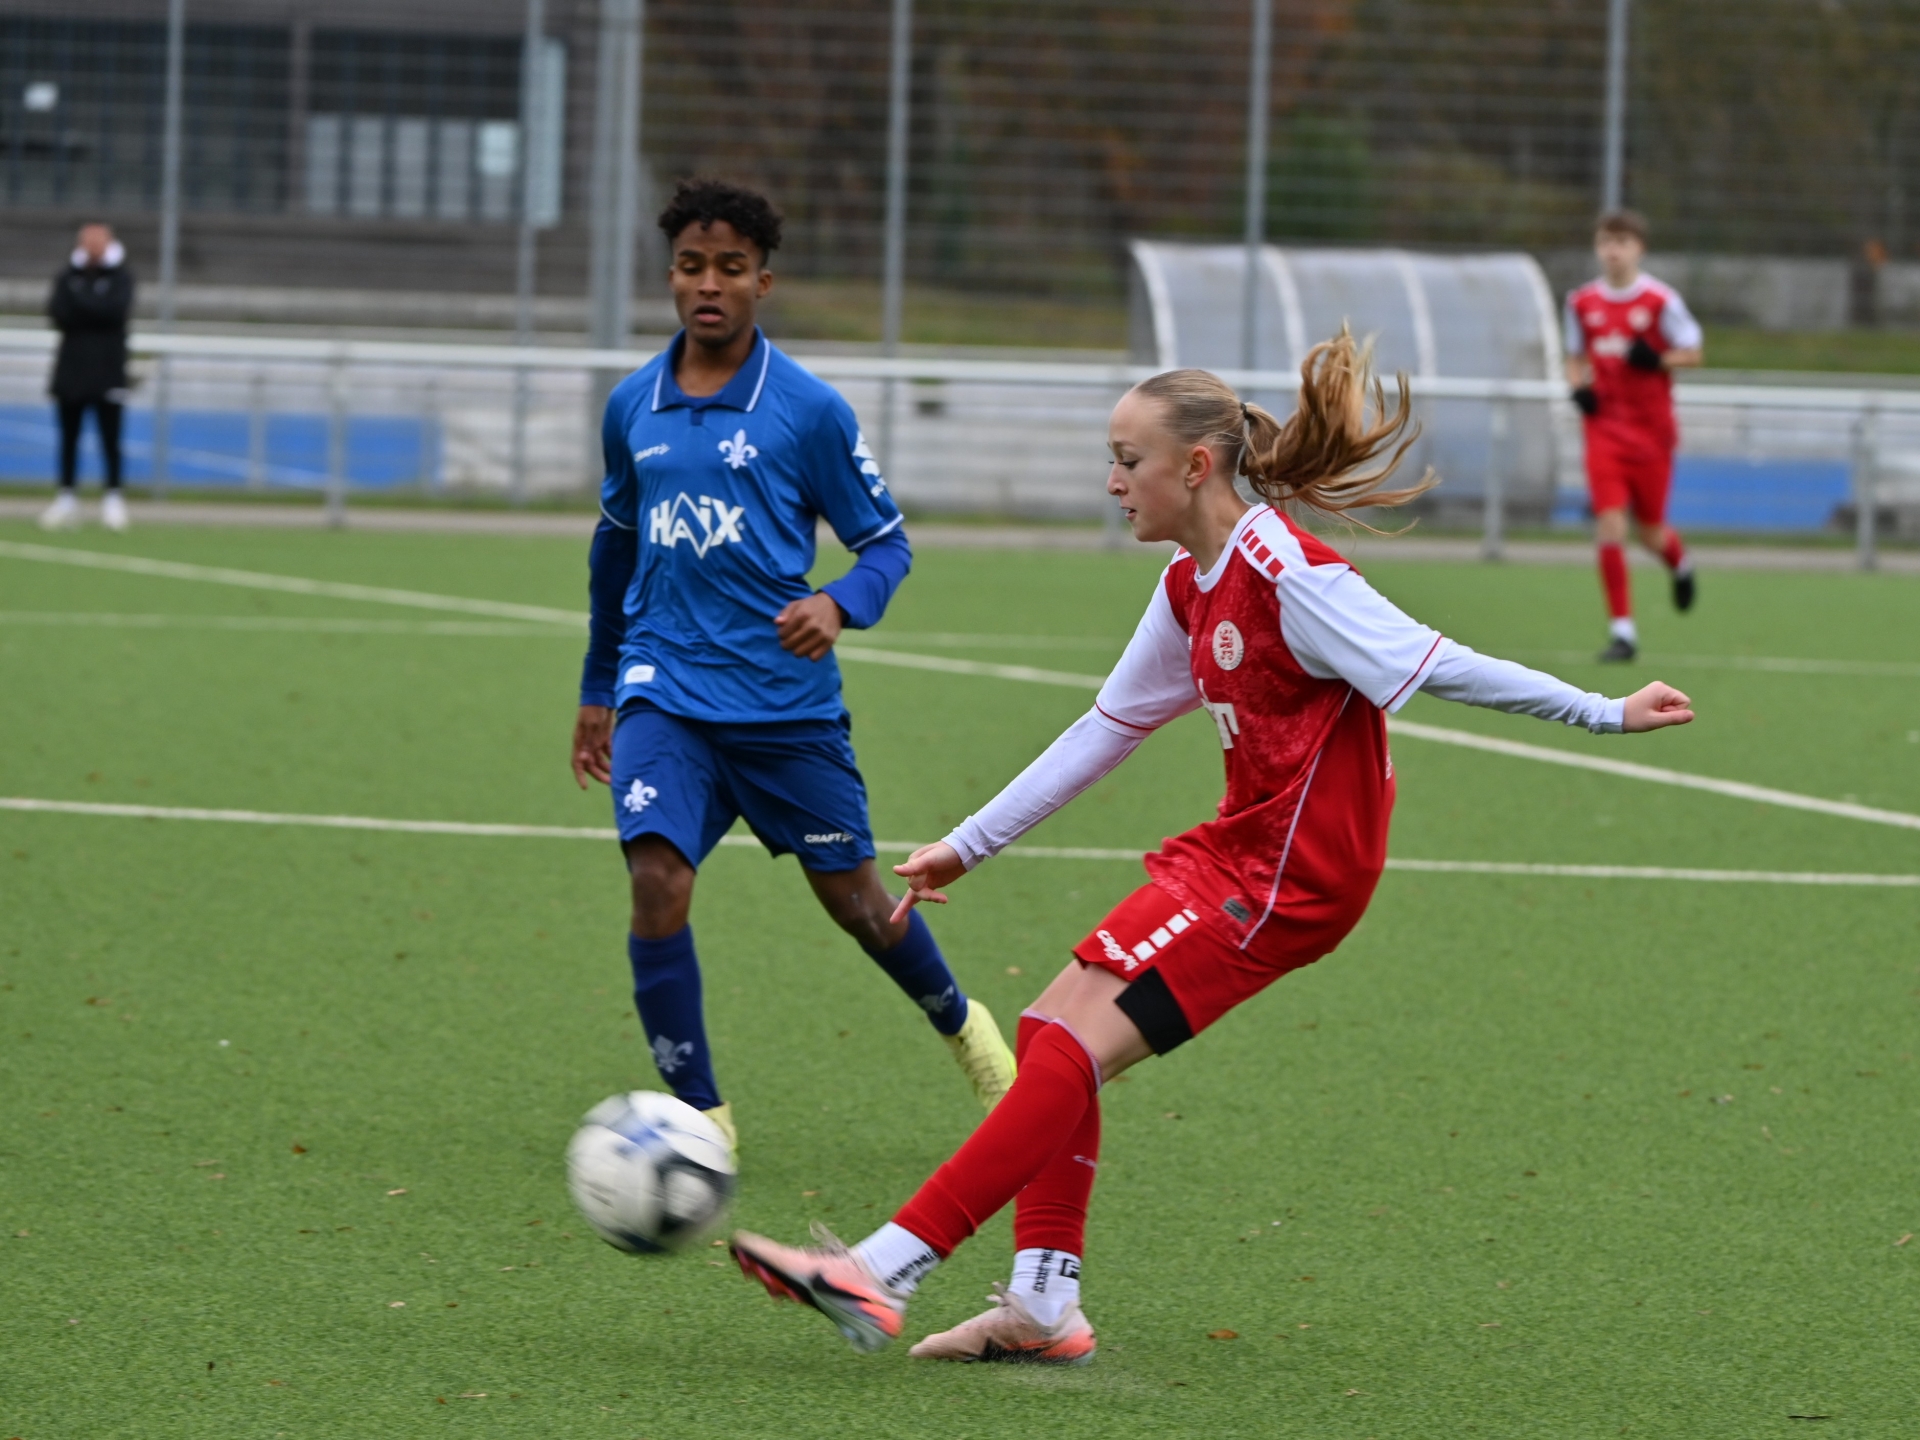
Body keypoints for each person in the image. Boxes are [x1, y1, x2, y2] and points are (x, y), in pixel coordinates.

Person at [729, 332, 1695, 1362]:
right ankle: (1043, 1305)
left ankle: (881, 1271)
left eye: (1127, 460)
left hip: (1295, 875)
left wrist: (1603, 711)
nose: (1112, 482)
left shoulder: (1289, 574)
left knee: (1070, 1049)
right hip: (1237, 849)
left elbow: (1439, 661)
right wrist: (968, 844)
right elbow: (1108, 727)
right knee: (1050, 1030)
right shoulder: (1191, 582)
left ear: (1194, 466)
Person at [570, 179, 1016, 1154]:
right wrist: (600, 686)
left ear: (762, 282)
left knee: (859, 905)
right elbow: (614, 553)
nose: (709, 285)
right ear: (670, 277)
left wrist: (837, 603)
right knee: (656, 880)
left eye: (730, 268)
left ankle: (964, 1026)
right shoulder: (631, 405)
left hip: (782, 707)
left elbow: (886, 545)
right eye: (692, 266)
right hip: (664, 688)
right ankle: (701, 1117)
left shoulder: (808, 410)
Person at [1564, 210, 1704, 663]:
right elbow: (1574, 356)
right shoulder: (1581, 302)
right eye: (1606, 241)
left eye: (1622, 242)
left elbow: (1694, 352)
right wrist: (1578, 388)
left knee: (1650, 533)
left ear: (1639, 248)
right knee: (1610, 524)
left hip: (1651, 435)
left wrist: (1659, 359)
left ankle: (1680, 564)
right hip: (1604, 431)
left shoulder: (1661, 301)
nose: (1613, 250)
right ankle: (1622, 632)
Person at [42, 222, 135, 533]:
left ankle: (113, 498)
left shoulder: (122, 277)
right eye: (88, 241)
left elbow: (115, 312)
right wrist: (93, 308)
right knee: (69, 438)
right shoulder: (67, 276)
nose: (93, 247)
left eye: (99, 241)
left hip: (109, 370)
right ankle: (66, 496)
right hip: (72, 371)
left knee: (111, 439)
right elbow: (58, 313)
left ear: (108, 243)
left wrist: (81, 303)